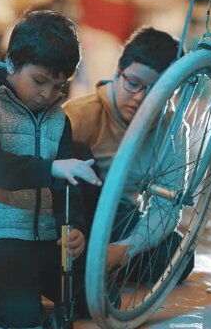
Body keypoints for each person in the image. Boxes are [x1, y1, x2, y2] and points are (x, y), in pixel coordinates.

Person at [0, 10, 102, 328]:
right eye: (39, 81)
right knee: (22, 316)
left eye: (58, 86)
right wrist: (51, 169)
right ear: (11, 63)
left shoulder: (57, 118)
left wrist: (73, 227)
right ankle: (3, 289)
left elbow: (68, 186)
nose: (47, 95)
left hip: (47, 240)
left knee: (100, 299)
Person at [63, 27, 194, 283]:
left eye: (156, 92)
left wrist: (125, 249)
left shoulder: (172, 130)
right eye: (133, 84)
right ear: (116, 73)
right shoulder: (79, 114)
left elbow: (166, 210)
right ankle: (85, 263)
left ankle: (99, 264)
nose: (140, 98)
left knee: (179, 256)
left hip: (119, 218)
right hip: (75, 216)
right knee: (77, 153)